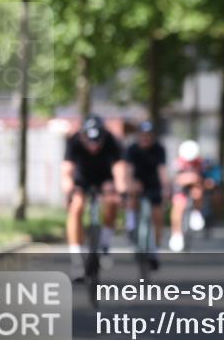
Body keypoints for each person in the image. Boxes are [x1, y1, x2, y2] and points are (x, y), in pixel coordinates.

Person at [62, 114, 127, 281]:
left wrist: (121, 189)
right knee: (76, 207)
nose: (93, 147)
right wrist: (68, 189)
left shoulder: (111, 140)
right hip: (82, 180)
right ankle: (76, 258)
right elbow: (67, 170)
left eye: (97, 142)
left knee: (111, 202)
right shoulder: (74, 141)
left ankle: (105, 243)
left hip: (104, 178)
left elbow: (119, 168)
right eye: (89, 142)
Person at [124, 120, 168, 269]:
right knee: (132, 199)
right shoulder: (131, 149)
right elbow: (128, 171)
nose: (145, 138)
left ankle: (154, 252)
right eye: (143, 135)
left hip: (153, 186)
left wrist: (166, 187)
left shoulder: (159, 149)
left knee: (157, 216)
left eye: (148, 135)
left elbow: (162, 170)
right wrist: (130, 184)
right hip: (137, 184)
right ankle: (130, 225)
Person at [169, 139, 205, 251]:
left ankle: (196, 211)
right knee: (178, 207)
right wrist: (187, 178)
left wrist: (195, 179)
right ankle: (177, 234)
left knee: (198, 192)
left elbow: (204, 177)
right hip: (180, 190)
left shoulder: (200, 162)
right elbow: (174, 179)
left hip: (195, 187)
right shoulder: (177, 163)